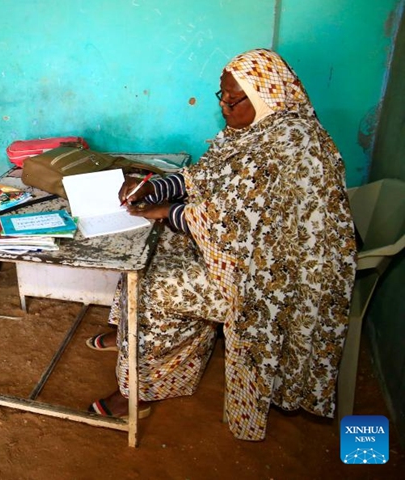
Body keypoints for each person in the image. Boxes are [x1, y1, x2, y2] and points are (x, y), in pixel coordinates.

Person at [86, 48, 356, 441]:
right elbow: (208, 177)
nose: (226, 106)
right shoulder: (257, 131)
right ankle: (132, 339)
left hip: (269, 283)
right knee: (154, 249)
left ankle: (141, 388)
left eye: (234, 99)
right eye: (222, 96)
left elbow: (235, 225)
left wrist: (168, 213)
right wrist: (158, 186)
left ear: (266, 94)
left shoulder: (290, 143)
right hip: (244, 256)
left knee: (153, 283)